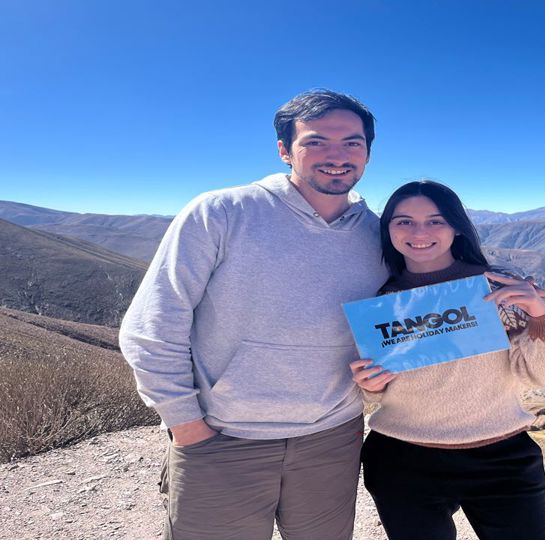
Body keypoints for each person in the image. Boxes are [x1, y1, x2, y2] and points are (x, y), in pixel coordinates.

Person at [119, 89, 388, 540]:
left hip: (333, 438)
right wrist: (186, 425)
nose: (336, 156)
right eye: (316, 141)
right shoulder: (221, 213)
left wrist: (508, 301)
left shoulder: (379, 234)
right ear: (285, 150)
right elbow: (151, 328)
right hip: (223, 438)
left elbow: (408, 313)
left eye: (352, 143)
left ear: (368, 154)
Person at [351, 180, 545, 540]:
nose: (419, 232)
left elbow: (541, 375)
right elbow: (381, 390)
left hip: (501, 455)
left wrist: (540, 314)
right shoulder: (380, 301)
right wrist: (372, 385)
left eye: (435, 220)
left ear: (456, 226)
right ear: (387, 228)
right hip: (402, 458)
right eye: (403, 221)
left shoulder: (497, 287)